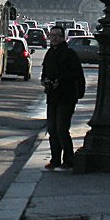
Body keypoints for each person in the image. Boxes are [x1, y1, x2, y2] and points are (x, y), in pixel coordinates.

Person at [40, 26, 86, 171]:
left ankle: (68, 159)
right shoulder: (49, 53)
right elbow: (45, 71)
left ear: (62, 37)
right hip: (52, 95)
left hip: (66, 96)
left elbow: (77, 74)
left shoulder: (70, 54)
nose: (53, 38)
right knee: (52, 129)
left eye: (56, 35)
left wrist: (60, 80)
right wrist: (45, 80)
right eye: (51, 35)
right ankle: (55, 159)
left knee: (61, 129)